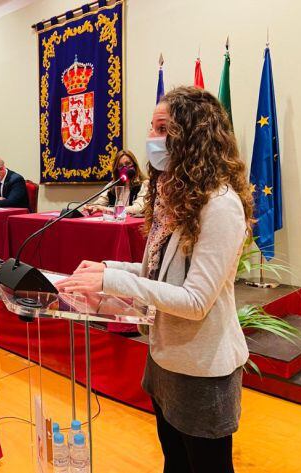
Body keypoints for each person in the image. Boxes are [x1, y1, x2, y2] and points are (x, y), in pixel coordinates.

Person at [56, 86, 253, 473]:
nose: (151, 138)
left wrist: (111, 281)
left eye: (162, 128)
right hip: (164, 358)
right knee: (174, 463)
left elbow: (195, 301)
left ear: (193, 134)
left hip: (202, 368)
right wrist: (105, 270)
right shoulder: (174, 199)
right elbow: (156, 275)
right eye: (152, 127)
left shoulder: (220, 205)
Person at [85, 149, 149, 217]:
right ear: (117, 169)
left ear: (135, 165)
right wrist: (91, 207)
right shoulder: (112, 185)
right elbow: (100, 203)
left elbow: (138, 209)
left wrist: (106, 209)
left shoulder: (144, 184)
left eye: (128, 164)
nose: (125, 168)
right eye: (120, 166)